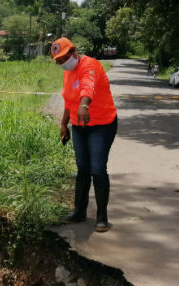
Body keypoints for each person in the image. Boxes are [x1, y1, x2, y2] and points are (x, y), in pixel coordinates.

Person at [52, 37, 118, 232]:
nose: (63, 63)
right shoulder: (68, 73)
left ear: (74, 52)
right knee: (82, 169)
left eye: (65, 58)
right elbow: (68, 101)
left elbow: (87, 86)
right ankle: (79, 212)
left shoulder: (90, 65)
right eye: (59, 61)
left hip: (102, 125)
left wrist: (84, 105)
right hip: (79, 125)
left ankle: (102, 217)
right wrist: (64, 123)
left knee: (97, 168)